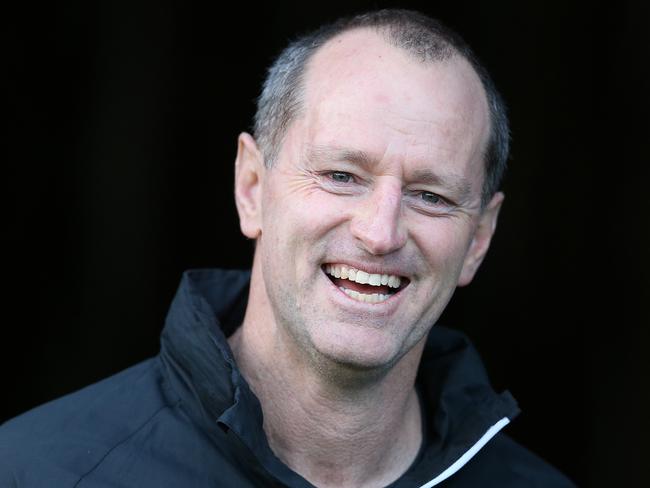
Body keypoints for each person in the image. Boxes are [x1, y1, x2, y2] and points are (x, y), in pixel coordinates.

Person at [1, 9, 576, 487]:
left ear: (478, 239)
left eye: (430, 195)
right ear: (252, 188)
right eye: (341, 175)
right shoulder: (39, 471)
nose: (380, 233)